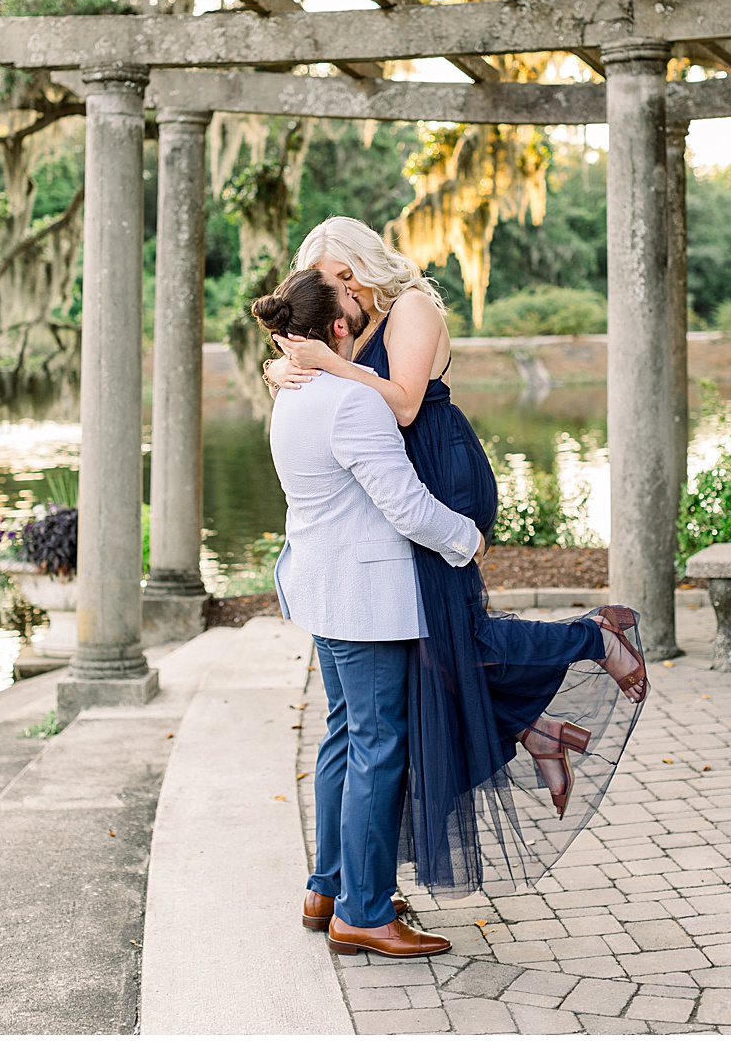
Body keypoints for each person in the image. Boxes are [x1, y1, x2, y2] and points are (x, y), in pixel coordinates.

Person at [262, 216, 648, 900]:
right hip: (385, 490)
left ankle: (593, 640)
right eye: (324, 284)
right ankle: (535, 729)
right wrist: (285, 367)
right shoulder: (341, 332)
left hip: (435, 471)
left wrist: (324, 364)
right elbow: (326, 398)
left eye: (339, 278)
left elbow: (406, 406)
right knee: (427, 667)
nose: (335, 292)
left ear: (358, 269)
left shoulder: (410, 305)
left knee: (453, 641)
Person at [252, 267, 483, 958]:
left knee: (347, 736)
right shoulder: (352, 404)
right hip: (364, 602)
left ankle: (327, 887)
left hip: (326, 593)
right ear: (340, 327)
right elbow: (406, 506)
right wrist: (466, 540)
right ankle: (365, 912)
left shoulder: (292, 397)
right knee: (379, 747)